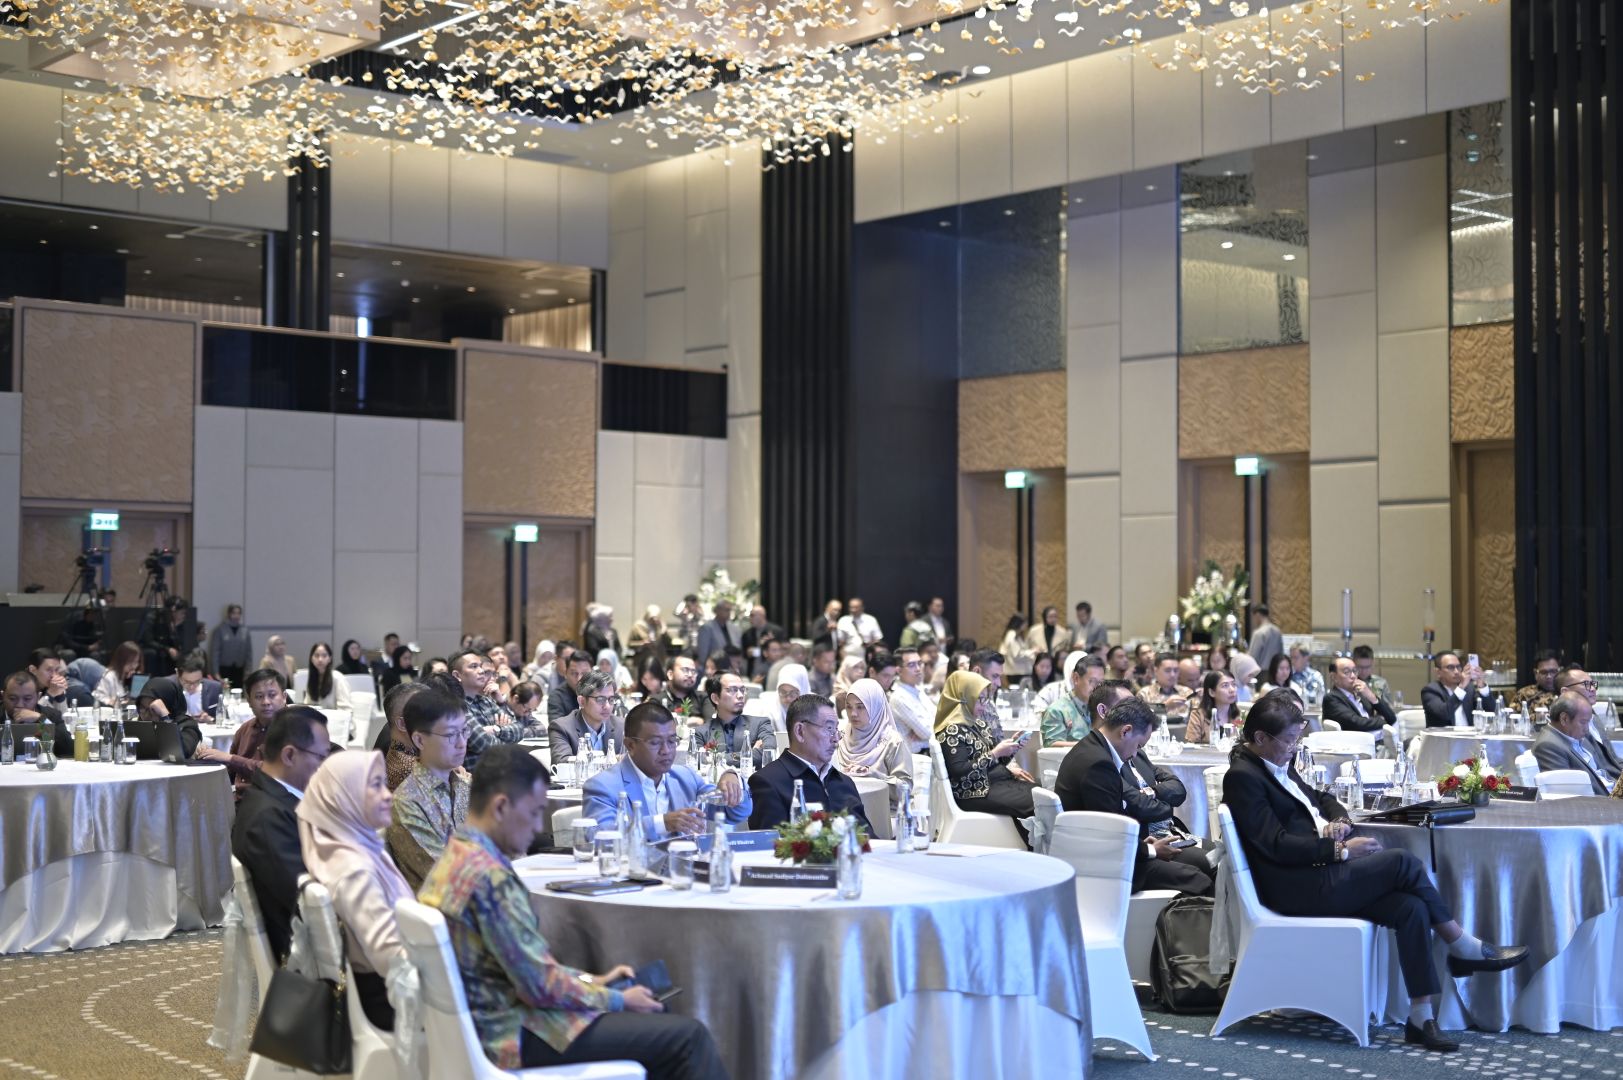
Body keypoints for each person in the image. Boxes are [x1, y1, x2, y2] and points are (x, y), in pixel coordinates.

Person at [1223, 689, 1528, 1051]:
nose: (1295, 747)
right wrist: (1339, 851)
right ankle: (1461, 945)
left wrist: (1338, 820)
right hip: (1296, 888)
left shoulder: (1277, 764)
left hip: (1315, 874)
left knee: (1411, 907)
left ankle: (1421, 1017)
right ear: (1260, 738)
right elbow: (1274, 844)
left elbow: (1321, 798)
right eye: (1289, 740)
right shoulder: (1244, 777)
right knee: (1402, 861)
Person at [418, 746, 730, 1077]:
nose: (537, 826)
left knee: (654, 1015)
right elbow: (538, 986)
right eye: (535, 812)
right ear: (501, 807)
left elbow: (524, 968)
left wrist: (594, 981)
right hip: (517, 1031)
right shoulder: (491, 880)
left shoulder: (455, 858)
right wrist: (616, 999)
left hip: (487, 1022)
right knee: (688, 1037)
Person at [297, 749, 412, 1031]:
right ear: (343, 797)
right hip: (389, 999)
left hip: (382, 988)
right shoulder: (354, 870)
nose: (388, 795)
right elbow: (391, 958)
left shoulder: (347, 848)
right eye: (375, 785)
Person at [1054, 697, 1213, 896]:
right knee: (1200, 880)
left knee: (1202, 866)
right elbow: (1110, 832)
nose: (1136, 754)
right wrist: (1151, 851)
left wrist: (1143, 846)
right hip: (1103, 865)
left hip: (1099, 851)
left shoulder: (1090, 747)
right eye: (1138, 745)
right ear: (1125, 731)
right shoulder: (1099, 765)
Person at [230, 706, 331, 963]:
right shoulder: (269, 817)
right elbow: (306, 900)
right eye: (321, 757)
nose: (325, 768)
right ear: (289, 755)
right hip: (309, 952)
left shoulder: (276, 800)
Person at [584, 701, 750, 838]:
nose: (666, 751)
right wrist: (662, 823)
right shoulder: (603, 785)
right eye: (655, 743)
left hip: (684, 866)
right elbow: (600, 836)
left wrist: (733, 780)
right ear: (630, 745)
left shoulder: (686, 778)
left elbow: (735, 814)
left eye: (672, 741)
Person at [934, 670, 1035, 840]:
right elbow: (959, 771)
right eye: (979, 699)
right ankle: (1036, 847)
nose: (984, 705)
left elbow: (994, 760)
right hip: (973, 792)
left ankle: (1037, 845)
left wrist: (1011, 749)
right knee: (1036, 802)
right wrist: (995, 753)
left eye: (985, 699)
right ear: (963, 698)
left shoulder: (977, 723)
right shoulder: (951, 730)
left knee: (1040, 792)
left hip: (994, 782)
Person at [388, 689, 473, 891]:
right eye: (451, 735)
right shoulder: (407, 802)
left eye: (464, 731)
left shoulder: (464, 785)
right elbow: (446, 875)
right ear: (420, 740)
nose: (462, 743)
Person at [748, 693, 871, 830]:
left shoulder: (843, 782)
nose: (836, 739)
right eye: (829, 729)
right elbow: (771, 842)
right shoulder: (768, 782)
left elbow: (868, 837)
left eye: (836, 729)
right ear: (800, 731)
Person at [196, 667, 285, 790]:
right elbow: (231, 772)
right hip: (240, 797)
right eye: (259, 696)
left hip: (276, 798)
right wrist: (208, 758)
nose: (266, 702)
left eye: (272, 695)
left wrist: (230, 759)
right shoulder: (245, 729)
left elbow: (276, 773)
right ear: (249, 701)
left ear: (284, 697)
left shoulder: (294, 729)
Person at [836, 678, 912, 813]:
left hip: (881, 812)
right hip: (843, 810)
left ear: (875, 706)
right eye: (849, 706)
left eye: (860, 707)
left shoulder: (892, 742)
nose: (853, 714)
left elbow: (905, 790)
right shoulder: (839, 738)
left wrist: (874, 776)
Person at [1533, 692, 1621, 795]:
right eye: (1583, 722)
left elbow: (1602, 771)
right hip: (1602, 800)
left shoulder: (1576, 735)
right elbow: (1567, 793)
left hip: (1613, 790)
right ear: (1564, 719)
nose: (1587, 729)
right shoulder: (1548, 746)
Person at [696, 672, 774, 763]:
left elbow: (768, 753)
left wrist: (716, 758)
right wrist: (750, 754)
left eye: (742, 690)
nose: (740, 695)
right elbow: (699, 761)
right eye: (733, 690)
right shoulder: (700, 733)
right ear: (715, 698)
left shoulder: (760, 724)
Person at [548, 671, 626, 762]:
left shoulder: (622, 726)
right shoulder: (562, 728)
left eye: (611, 699)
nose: (607, 706)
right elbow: (561, 762)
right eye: (600, 699)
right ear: (582, 701)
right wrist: (613, 759)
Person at [2, 671, 73, 758]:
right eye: (13, 698)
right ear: (2, 696)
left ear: (38, 697)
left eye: (27, 699)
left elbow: (68, 749)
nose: (20, 705)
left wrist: (41, 719)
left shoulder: (51, 715)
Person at [1421, 651, 1499, 728]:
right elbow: (1445, 714)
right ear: (1438, 672)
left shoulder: (1469, 689)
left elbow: (1491, 711)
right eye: (1450, 667)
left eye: (1458, 667)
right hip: (1445, 736)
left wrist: (1482, 686)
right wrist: (1461, 687)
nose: (1456, 672)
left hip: (1470, 735)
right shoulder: (1430, 691)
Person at [1321, 656, 1398, 734]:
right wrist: (1383, 720)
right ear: (1333, 677)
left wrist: (1371, 696)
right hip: (1358, 740)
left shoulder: (1361, 693)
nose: (1353, 676)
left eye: (1355, 671)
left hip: (1376, 737)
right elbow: (1358, 723)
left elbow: (1391, 717)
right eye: (1346, 672)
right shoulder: (1332, 698)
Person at [1042, 653, 1105, 747]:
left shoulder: (1102, 708)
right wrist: (1090, 746)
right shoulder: (1057, 710)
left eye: (1100, 683)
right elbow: (1051, 745)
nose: (1097, 687)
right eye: (1092, 681)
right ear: (1076, 678)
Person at [379, 682, 428, 789]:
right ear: (402, 724)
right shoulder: (412, 770)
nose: (435, 719)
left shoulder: (404, 753)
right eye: (425, 712)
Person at [888, 647, 934, 752]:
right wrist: (930, 727)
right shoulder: (899, 697)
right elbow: (927, 733)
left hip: (929, 749)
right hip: (917, 755)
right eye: (911, 665)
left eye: (919, 663)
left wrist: (929, 726)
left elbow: (938, 716)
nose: (918, 669)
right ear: (899, 670)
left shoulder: (917, 688)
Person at [1185, 670, 1241, 745]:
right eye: (1225, 685)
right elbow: (1192, 746)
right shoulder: (1198, 716)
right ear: (1212, 692)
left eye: (1234, 684)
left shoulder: (1239, 715)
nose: (1232, 690)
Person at [28, 647, 92, 710]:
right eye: (49, 670)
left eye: (56, 670)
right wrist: (50, 694)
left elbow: (62, 715)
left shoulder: (50, 687)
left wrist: (60, 696)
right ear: (33, 670)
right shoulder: (23, 687)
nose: (54, 675)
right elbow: (32, 714)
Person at [1137, 652, 1193, 718]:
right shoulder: (1144, 694)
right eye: (1168, 670)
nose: (1173, 675)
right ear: (1156, 670)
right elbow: (1139, 719)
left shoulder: (1187, 692)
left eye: (1176, 670)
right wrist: (1165, 707)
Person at [302, 641, 354, 709]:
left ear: (330, 659)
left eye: (324, 656)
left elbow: (346, 708)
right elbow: (307, 706)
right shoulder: (312, 678)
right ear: (311, 659)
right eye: (316, 656)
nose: (320, 659)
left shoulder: (338, 678)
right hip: (315, 715)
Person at [209, 604, 252, 686]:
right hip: (224, 668)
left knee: (238, 691)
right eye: (234, 613)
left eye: (238, 613)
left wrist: (248, 671)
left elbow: (248, 653)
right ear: (229, 614)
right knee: (225, 691)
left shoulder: (245, 631)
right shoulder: (220, 630)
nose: (236, 616)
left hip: (239, 669)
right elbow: (215, 653)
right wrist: (216, 672)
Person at [739, 605, 786, 681]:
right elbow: (743, 654)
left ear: (761, 616)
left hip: (774, 669)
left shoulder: (776, 631)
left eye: (752, 615)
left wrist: (773, 642)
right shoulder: (747, 634)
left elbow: (786, 648)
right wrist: (748, 653)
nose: (750, 618)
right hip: (754, 671)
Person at [546, 649, 594, 723]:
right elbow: (556, 726)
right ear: (565, 673)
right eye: (574, 673)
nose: (579, 678)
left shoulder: (600, 693)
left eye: (584, 674)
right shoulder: (557, 696)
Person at [658, 651, 707, 722]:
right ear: (670, 674)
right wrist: (694, 721)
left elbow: (712, 725)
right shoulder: (657, 701)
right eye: (685, 670)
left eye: (693, 671)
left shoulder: (703, 698)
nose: (690, 675)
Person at [1510, 650, 1563, 714]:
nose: (1549, 676)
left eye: (1553, 671)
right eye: (1543, 672)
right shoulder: (1523, 694)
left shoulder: (1567, 693)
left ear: (1560, 671)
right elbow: (1511, 717)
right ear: (1535, 673)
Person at [94, 640, 142, 706]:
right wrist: (111, 701)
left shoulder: (129, 677)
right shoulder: (110, 676)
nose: (134, 666)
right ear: (121, 660)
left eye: (136, 662)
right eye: (130, 662)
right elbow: (98, 696)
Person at [765, 662, 809, 730]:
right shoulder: (771, 709)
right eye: (783, 692)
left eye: (793, 693)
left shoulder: (816, 709)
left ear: (803, 690)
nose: (788, 698)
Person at [695, 600, 737, 666]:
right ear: (718, 610)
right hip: (714, 666)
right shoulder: (706, 628)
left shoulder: (733, 628)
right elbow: (703, 653)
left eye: (730, 610)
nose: (729, 613)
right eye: (727, 610)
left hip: (731, 665)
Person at [1246, 604, 1283, 674]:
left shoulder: (1258, 633)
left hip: (1261, 673)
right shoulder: (1277, 631)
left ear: (1258, 615)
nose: (1254, 620)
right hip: (1276, 671)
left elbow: (1252, 657)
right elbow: (1281, 653)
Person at [999, 614, 1036, 678]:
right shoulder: (1012, 634)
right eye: (1025, 623)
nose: (1026, 625)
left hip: (1018, 671)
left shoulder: (1016, 635)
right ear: (1019, 623)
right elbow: (1017, 655)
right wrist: (1032, 651)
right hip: (1017, 671)